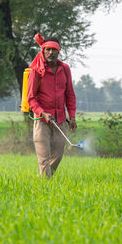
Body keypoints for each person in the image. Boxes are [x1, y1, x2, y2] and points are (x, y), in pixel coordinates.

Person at [27, 33, 77, 178]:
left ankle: (44, 179)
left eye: (53, 50)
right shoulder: (37, 71)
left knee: (58, 155)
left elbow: (70, 94)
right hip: (41, 120)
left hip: (60, 120)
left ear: (59, 51)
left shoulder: (65, 69)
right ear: (43, 51)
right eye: (47, 49)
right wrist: (42, 112)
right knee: (43, 158)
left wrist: (72, 116)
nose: (50, 52)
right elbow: (31, 98)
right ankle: (45, 187)